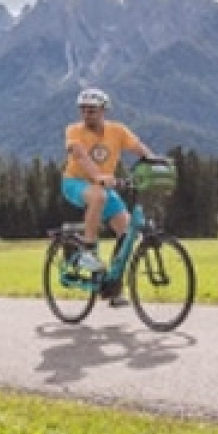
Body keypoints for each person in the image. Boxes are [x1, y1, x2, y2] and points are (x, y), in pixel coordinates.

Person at [62, 87, 157, 305]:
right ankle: (87, 251)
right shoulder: (73, 131)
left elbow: (139, 148)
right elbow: (80, 156)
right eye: (84, 110)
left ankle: (112, 288)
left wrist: (155, 162)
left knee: (127, 232)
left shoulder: (117, 131)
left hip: (104, 185)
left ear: (104, 111)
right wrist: (99, 176)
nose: (87, 114)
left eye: (92, 110)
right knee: (98, 197)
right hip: (75, 183)